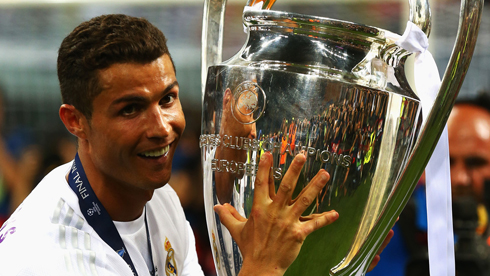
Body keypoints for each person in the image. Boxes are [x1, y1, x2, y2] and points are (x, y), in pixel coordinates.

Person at [0, 14, 389, 276]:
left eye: (167, 99)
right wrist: (262, 267)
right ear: (75, 121)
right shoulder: (51, 260)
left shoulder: (157, 199)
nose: (163, 127)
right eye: (131, 109)